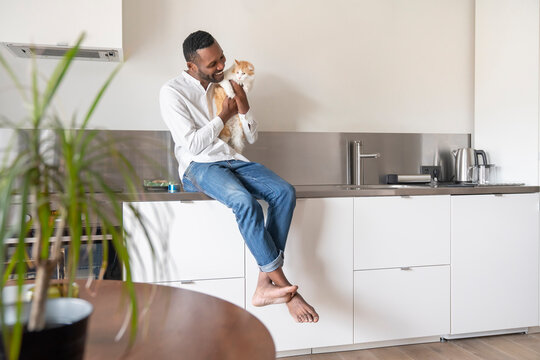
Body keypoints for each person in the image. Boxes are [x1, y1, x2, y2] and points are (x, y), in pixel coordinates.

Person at [159, 30, 319, 323]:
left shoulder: (227, 84)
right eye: (213, 64)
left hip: (231, 158)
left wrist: (242, 105)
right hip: (199, 166)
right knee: (245, 202)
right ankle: (287, 291)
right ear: (192, 66)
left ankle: (263, 285)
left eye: (221, 57)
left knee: (284, 191)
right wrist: (222, 115)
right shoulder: (172, 92)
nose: (221, 66)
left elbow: (251, 135)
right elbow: (192, 145)